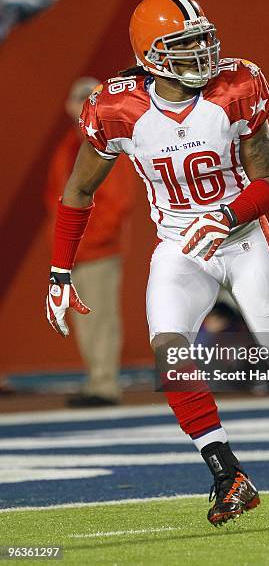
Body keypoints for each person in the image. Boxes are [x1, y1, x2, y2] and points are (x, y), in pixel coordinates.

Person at [45, 0, 269, 526]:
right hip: (179, 246)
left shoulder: (236, 89)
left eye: (203, 40)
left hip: (242, 239)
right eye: (185, 45)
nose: (203, 54)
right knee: (170, 353)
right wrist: (59, 271)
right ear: (151, 55)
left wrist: (226, 215)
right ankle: (227, 473)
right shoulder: (117, 109)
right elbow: (78, 192)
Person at [45, 77, 135, 406]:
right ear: (69, 105)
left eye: (90, 97)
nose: (84, 103)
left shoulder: (107, 144)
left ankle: (105, 384)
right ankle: (97, 379)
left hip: (96, 249)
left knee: (100, 316)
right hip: (78, 251)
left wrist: (86, 241)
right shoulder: (70, 144)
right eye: (79, 98)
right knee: (86, 319)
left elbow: (117, 202)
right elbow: (55, 198)